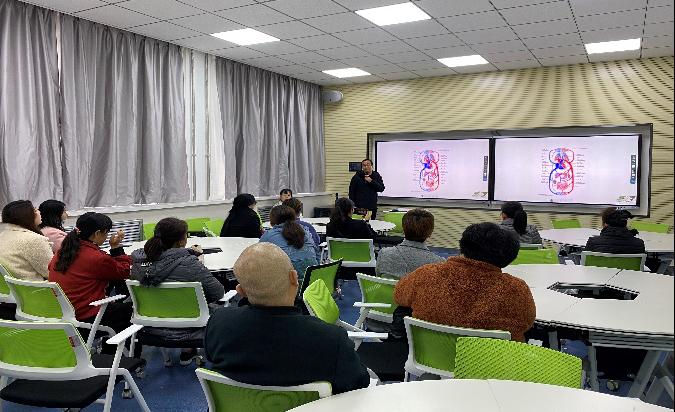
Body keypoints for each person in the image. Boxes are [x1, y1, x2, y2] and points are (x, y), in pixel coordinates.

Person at [204, 243, 370, 394]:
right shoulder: (332, 339)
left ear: (241, 291)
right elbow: (359, 384)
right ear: (294, 278)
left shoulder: (218, 324)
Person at [394, 222, 536, 342]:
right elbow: (527, 323)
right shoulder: (516, 289)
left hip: (432, 358)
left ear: (462, 245)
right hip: (494, 363)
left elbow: (399, 296)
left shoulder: (426, 274)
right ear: (509, 257)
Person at [130, 217, 224, 365]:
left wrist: (189, 253)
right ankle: (188, 351)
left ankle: (188, 351)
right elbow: (217, 293)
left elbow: (164, 260)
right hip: (191, 326)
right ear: (181, 241)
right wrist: (198, 263)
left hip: (152, 326)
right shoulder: (190, 265)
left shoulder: (137, 264)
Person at [48, 212, 133, 334]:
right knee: (134, 310)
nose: (107, 237)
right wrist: (116, 248)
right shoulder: (97, 257)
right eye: (106, 233)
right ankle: (118, 344)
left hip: (65, 312)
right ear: (97, 233)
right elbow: (124, 271)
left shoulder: (63, 251)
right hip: (87, 316)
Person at [376, 209, 444, 279]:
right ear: (430, 233)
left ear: (403, 229)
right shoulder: (439, 263)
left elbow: (379, 279)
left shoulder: (384, 253)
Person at [259, 206, 318, 282]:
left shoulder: (268, 236)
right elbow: (317, 252)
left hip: (289, 283)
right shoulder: (305, 230)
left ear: (272, 219)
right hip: (312, 279)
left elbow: (259, 258)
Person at [0, 200, 53, 281]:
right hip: (37, 287)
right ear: (26, 216)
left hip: (11, 287)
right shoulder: (34, 240)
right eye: (35, 210)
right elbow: (52, 273)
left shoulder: (3, 234)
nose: (39, 212)